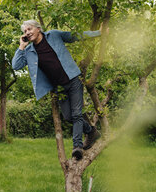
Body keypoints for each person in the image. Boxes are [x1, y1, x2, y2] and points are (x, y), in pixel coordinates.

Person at [11, 20, 101, 160]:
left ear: (38, 29)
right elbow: (16, 66)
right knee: (68, 117)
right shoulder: (29, 51)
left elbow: (75, 36)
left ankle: (77, 147)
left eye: (29, 29)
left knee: (77, 114)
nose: (27, 33)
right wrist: (22, 46)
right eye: (25, 31)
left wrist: (98, 33)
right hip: (59, 88)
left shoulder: (54, 35)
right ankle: (91, 131)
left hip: (73, 79)